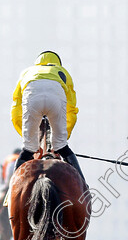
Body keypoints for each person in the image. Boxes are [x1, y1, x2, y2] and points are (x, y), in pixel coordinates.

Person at [11, 51, 85, 185]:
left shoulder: (26, 72)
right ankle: (83, 186)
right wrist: (61, 141)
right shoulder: (63, 72)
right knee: (62, 146)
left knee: (27, 148)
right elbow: (72, 109)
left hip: (32, 100)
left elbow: (16, 109)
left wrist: (30, 141)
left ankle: (10, 193)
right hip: (55, 100)